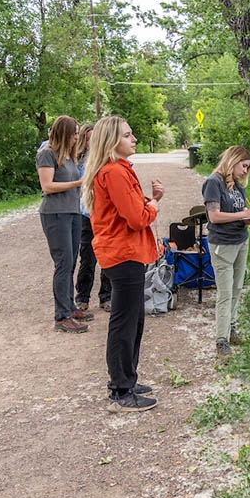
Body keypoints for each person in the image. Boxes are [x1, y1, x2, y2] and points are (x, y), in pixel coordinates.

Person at [82, 116, 163, 413]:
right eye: (128, 135)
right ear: (112, 141)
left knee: (135, 319)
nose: (134, 139)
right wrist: (154, 206)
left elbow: (133, 208)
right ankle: (120, 389)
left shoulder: (120, 170)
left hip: (128, 252)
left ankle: (128, 377)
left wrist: (151, 199)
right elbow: (137, 217)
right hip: (122, 252)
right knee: (125, 322)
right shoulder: (114, 172)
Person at [201, 145, 250, 360]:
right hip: (222, 244)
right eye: (243, 166)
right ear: (233, 160)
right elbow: (214, 216)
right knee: (224, 293)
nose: (245, 171)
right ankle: (221, 341)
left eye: (248, 168)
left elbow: (240, 217)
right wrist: (244, 213)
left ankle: (231, 329)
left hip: (241, 241)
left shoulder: (238, 186)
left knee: (237, 288)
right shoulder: (213, 182)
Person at [37, 115, 92, 333]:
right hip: (55, 213)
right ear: (64, 133)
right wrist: (79, 183)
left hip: (72, 211)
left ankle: (70, 307)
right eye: (75, 133)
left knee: (70, 263)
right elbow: (47, 186)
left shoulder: (69, 156)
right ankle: (61, 316)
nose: (77, 137)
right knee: (63, 262)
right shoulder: (46, 154)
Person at [74, 123, 112, 312]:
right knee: (87, 257)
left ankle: (106, 296)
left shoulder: (107, 160)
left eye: (94, 138)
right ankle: (82, 296)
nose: (91, 142)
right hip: (86, 214)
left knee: (107, 256)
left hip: (104, 215)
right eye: (88, 139)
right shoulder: (78, 160)